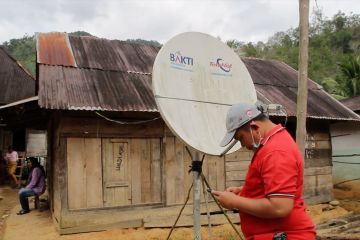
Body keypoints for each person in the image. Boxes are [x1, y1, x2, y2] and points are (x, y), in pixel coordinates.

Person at [212, 102, 316, 240]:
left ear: (254, 127)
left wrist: (235, 202)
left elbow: (280, 207)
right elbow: (275, 186)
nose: (243, 145)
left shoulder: (276, 152)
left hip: (286, 235)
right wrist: (245, 191)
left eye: (241, 138)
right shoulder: (272, 145)